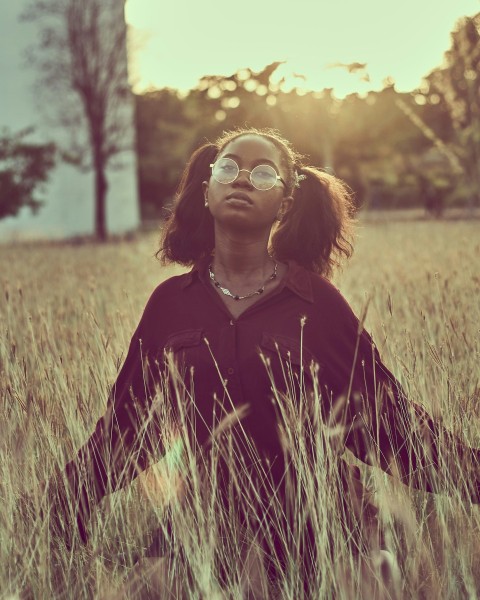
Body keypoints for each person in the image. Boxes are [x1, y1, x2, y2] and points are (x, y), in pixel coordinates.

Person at [45, 127, 480, 598]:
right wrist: (69, 499)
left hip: (319, 516)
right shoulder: (170, 305)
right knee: (145, 590)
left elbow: (386, 418)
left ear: (286, 203)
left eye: (263, 173)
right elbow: (128, 424)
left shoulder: (317, 303)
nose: (242, 180)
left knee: (378, 582)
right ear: (207, 190)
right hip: (205, 519)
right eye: (228, 169)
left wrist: (472, 476)